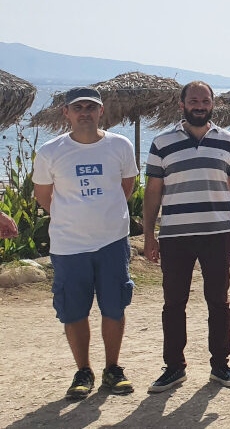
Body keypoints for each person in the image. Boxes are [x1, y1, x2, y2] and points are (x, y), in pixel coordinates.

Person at [31, 87, 139, 399]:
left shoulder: (120, 145)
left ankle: (112, 369)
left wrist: (104, 217)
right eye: (77, 108)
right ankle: (83, 371)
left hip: (112, 243)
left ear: (101, 111)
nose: (84, 113)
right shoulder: (51, 152)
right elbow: (43, 195)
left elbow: (126, 186)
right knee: (74, 310)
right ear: (66, 113)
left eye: (91, 107)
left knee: (114, 306)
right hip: (69, 246)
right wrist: (72, 218)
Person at [142, 81, 230, 392]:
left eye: (205, 100)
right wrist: (149, 234)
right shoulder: (162, 143)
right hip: (175, 234)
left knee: (219, 302)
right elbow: (152, 193)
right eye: (193, 100)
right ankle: (174, 367)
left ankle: (221, 366)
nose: (199, 105)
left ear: (213, 104)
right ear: (182, 105)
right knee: (173, 303)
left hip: (217, 233)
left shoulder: (228, 142)